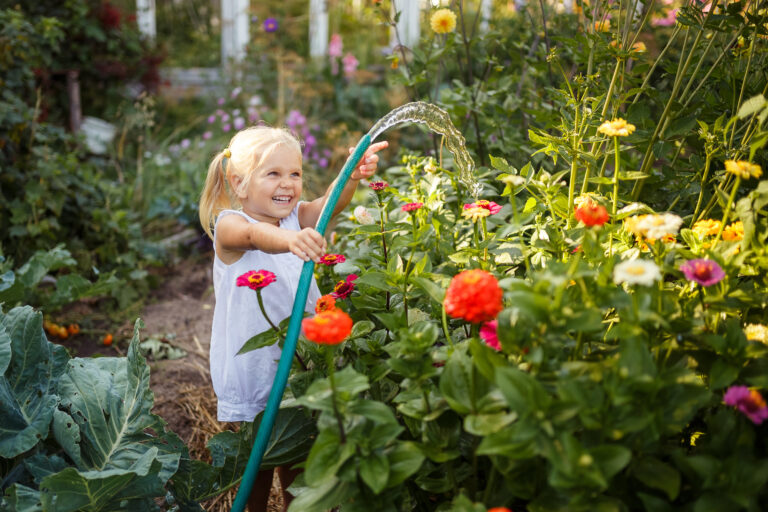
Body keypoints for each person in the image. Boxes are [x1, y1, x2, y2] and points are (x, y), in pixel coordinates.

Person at [198, 125, 387, 511]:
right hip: (252, 365)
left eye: (295, 173)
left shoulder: (294, 218)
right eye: (273, 174)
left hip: (298, 360)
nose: (288, 184)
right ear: (240, 183)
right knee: (257, 458)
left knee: (296, 452)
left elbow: (328, 205)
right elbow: (252, 236)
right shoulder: (229, 224)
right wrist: (291, 240)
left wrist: (349, 175)